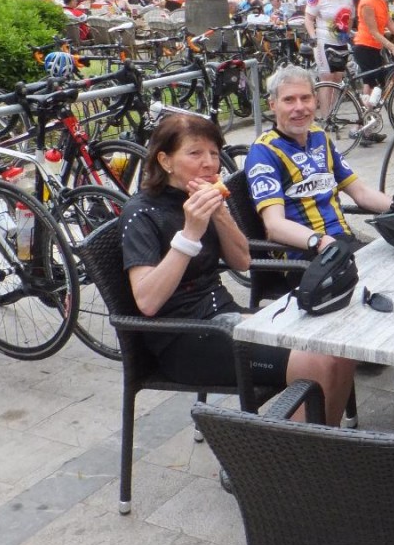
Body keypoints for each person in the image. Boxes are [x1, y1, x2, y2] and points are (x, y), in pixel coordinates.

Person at [120, 113, 355, 426]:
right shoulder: (142, 213)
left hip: (226, 318)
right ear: (165, 160)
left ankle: (324, 445)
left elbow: (242, 262)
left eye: (214, 154)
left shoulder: (200, 198)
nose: (209, 163)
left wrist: (220, 214)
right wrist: (189, 235)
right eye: (195, 153)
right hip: (183, 340)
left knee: (340, 348)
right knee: (317, 362)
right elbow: (148, 302)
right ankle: (287, 467)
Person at [245, 65, 394, 432]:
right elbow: (273, 224)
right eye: (289, 100)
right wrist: (318, 240)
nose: (300, 107)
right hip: (305, 259)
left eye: (306, 98)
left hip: (342, 247)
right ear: (273, 105)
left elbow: (362, 194)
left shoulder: (320, 139)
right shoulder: (264, 153)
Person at [304, 0, 354, 97]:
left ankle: (333, 112)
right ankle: (326, 115)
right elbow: (308, 18)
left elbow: (351, 17)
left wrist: (347, 34)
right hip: (323, 41)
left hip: (341, 42)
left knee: (338, 78)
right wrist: (313, 36)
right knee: (326, 78)